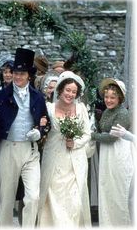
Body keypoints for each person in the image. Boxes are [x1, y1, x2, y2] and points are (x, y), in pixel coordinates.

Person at [0, 48, 50, 227]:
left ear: (29, 75)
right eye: (16, 73)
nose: (18, 77)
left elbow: (44, 121)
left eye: (22, 73)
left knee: (33, 196)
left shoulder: (38, 97)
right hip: (8, 148)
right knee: (7, 198)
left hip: (31, 151)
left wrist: (39, 132)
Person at [37, 71, 92, 227]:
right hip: (54, 160)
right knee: (54, 198)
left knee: (75, 201)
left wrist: (75, 143)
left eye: (74, 92)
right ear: (60, 90)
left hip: (75, 160)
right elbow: (42, 130)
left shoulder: (81, 109)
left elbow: (87, 134)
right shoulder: (48, 108)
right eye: (68, 90)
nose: (70, 94)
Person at [91, 78, 134, 226]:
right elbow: (103, 129)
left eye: (112, 97)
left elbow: (111, 138)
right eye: (106, 97)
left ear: (120, 98)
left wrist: (92, 135)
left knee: (117, 190)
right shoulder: (107, 111)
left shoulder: (122, 113)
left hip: (118, 153)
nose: (108, 100)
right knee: (107, 189)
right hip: (107, 153)